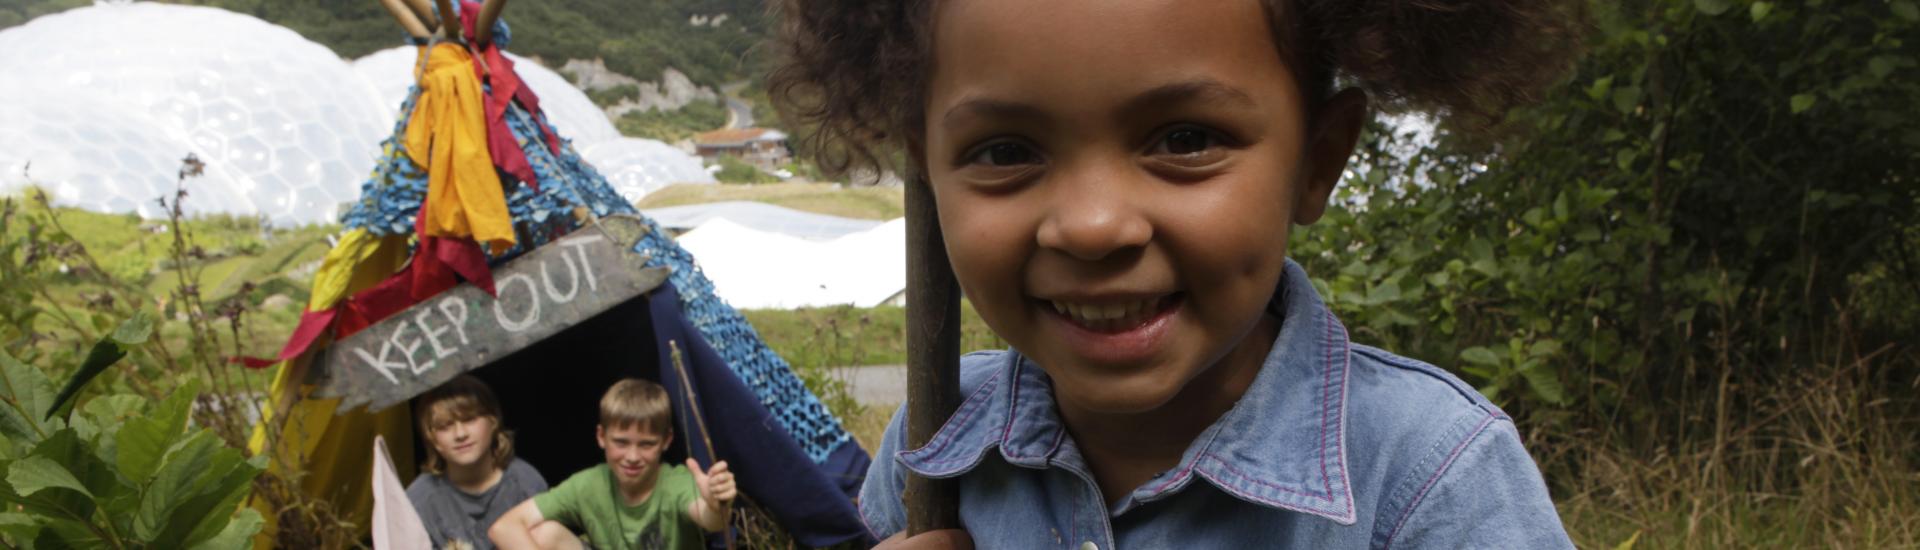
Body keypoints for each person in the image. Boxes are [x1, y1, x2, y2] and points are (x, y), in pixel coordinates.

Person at [767, 0, 1585, 547]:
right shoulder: (932, 452)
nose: (1092, 226)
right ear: (927, 171)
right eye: (1004, 152)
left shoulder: (1428, 478)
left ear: (1319, 160)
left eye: (1186, 140)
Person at [490, 378, 736, 550]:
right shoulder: (588, 484)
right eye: (621, 442)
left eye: (646, 444)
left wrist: (716, 506)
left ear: (666, 441)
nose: (632, 456)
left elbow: (709, 519)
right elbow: (504, 527)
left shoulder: (676, 482)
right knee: (544, 535)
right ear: (601, 437)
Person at [408, 375, 550, 550]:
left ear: (493, 421)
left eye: (469, 419)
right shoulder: (419, 500)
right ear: (433, 439)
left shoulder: (525, 483)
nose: (460, 434)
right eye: (445, 426)